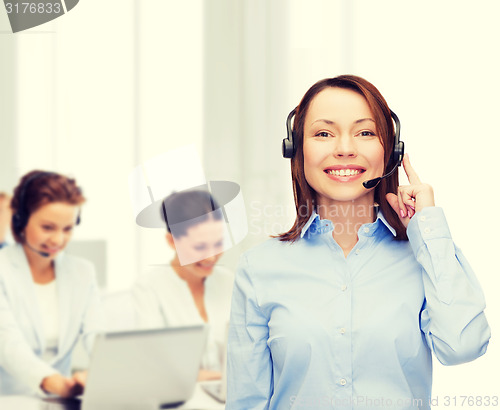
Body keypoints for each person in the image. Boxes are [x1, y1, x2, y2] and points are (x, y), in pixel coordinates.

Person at [227, 75, 491, 409]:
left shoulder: (425, 257)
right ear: (296, 149)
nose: (345, 148)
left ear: (391, 151)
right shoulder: (259, 267)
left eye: (365, 132)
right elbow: (245, 401)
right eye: (324, 133)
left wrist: (428, 230)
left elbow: (463, 346)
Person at [0, 171, 102, 397]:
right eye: (47, 227)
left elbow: (97, 334)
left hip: (62, 401)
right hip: (9, 400)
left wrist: (102, 372)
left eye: (67, 229)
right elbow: (8, 345)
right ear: (21, 221)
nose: (58, 240)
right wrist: (54, 382)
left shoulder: (82, 272)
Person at [133, 189, 234, 381]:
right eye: (199, 247)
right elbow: (151, 363)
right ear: (172, 241)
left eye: (218, 243)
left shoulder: (229, 282)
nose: (212, 257)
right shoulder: (149, 288)